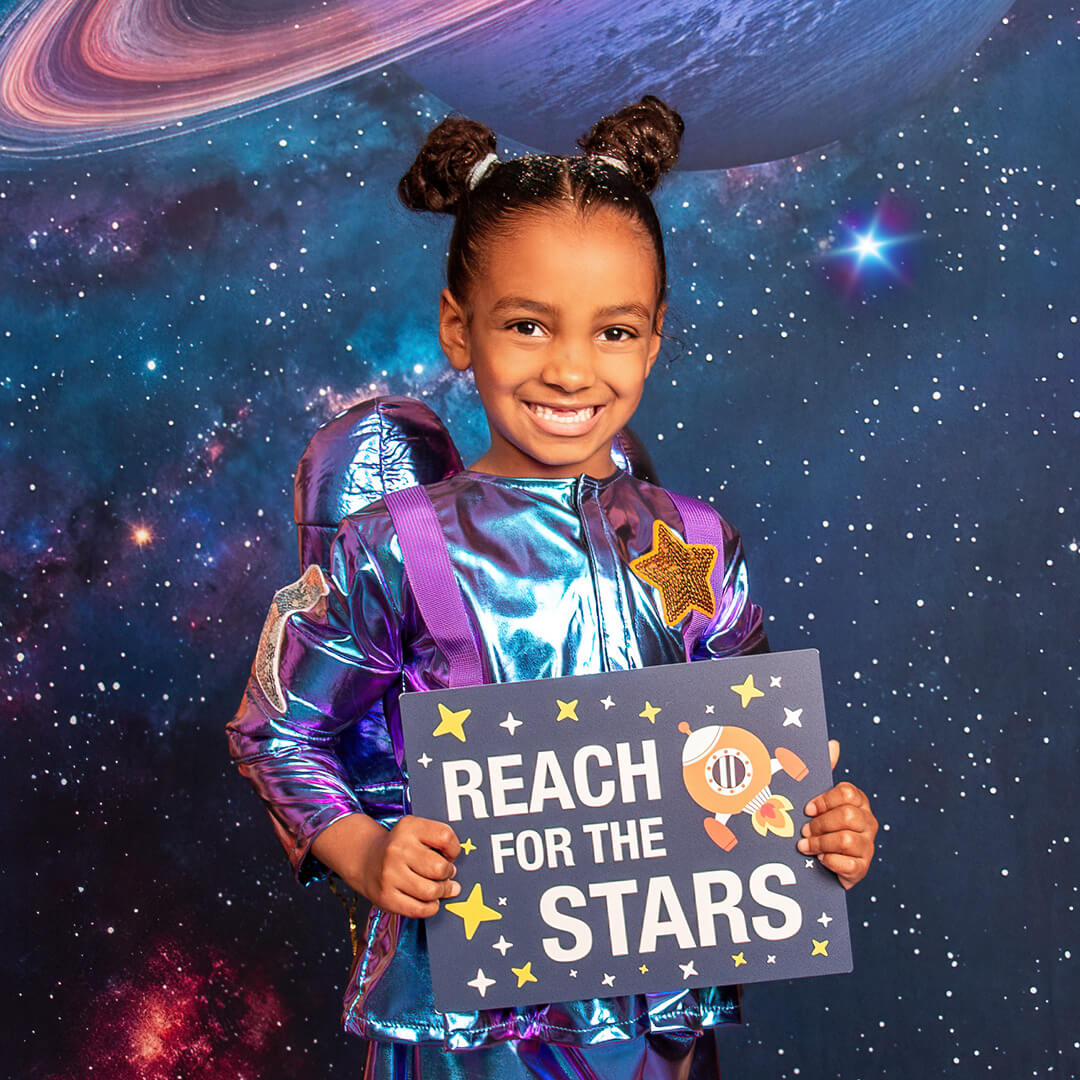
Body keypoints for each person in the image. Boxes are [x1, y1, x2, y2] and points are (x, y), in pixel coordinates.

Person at [227, 95, 878, 1079]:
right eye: (529, 324)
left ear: (655, 338)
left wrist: (824, 829)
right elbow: (277, 726)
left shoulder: (691, 543)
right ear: (460, 328)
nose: (571, 370)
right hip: (466, 1026)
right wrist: (362, 850)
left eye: (613, 332)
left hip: (654, 1023)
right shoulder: (393, 545)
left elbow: (751, 753)